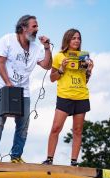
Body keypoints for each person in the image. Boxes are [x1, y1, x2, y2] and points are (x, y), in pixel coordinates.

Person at [0, 15, 52, 163]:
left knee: (23, 125)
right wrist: (8, 83)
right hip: (2, 87)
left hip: (23, 91)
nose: (37, 29)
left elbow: (47, 66)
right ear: (23, 28)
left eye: (37, 26)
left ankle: (16, 156)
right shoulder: (7, 40)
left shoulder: (36, 47)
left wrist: (47, 48)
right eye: (34, 26)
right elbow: (0, 62)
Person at [42, 28, 94, 166]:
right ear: (67, 40)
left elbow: (85, 80)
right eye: (74, 38)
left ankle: (74, 161)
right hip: (64, 96)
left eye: (78, 38)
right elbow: (52, 78)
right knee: (56, 128)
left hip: (81, 96)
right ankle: (49, 159)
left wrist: (89, 71)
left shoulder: (85, 57)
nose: (76, 40)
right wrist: (61, 69)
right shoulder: (60, 56)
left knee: (77, 131)